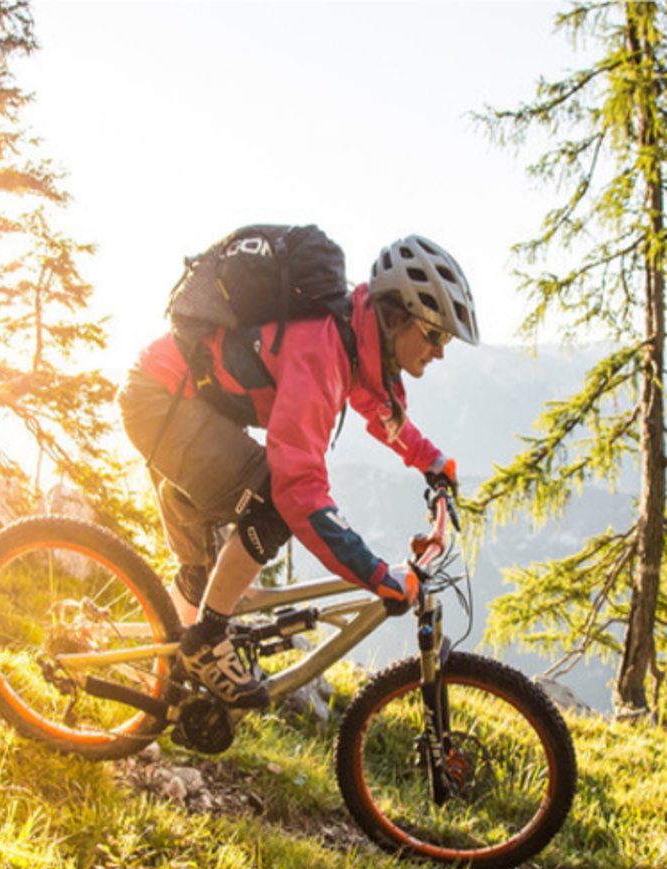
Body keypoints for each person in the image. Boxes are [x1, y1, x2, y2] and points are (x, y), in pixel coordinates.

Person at [117, 234, 477, 708]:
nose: (440, 350)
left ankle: (177, 655)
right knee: (274, 505)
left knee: (211, 566)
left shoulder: (351, 333)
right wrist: (373, 572)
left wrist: (429, 460)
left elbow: (376, 406)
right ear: (395, 318)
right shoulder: (321, 350)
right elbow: (300, 492)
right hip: (161, 400)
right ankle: (205, 639)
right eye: (435, 334)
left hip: (190, 401)